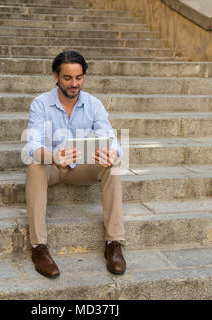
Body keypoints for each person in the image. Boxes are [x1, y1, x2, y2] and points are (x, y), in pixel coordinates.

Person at [25, 51, 126, 279]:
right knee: (34, 166)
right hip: (54, 167)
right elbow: (32, 145)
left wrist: (111, 153)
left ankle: (114, 243)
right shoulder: (40, 104)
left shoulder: (93, 104)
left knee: (114, 164)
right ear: (56, 77)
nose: (74, 84)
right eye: (68, 78)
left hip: (82, 167)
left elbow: (111, 138)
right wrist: (53, 157)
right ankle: (38, 248)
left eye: (79, 78)